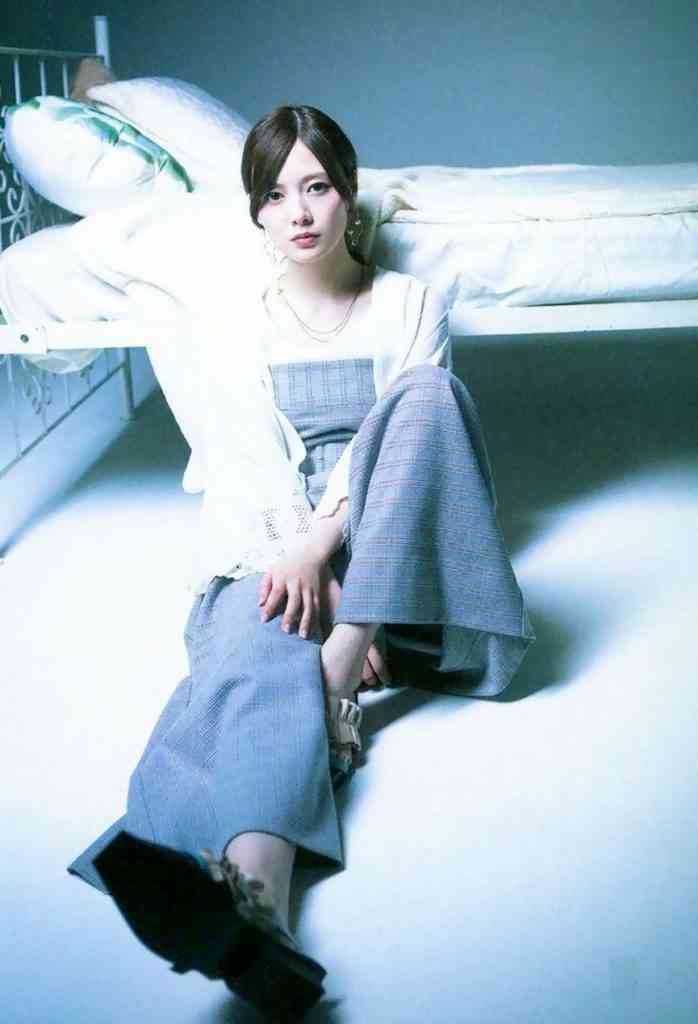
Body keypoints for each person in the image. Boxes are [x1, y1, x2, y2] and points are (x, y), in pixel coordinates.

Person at [66, 104, 535, 1021]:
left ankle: (334, 669)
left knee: (428, 396)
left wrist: (338, 569)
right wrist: (301, 555)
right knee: (251, 658)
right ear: (256, 213)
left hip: (403, 574)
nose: (300, 212)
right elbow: (246, 465)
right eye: (277, 195)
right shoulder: (236, 323)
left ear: (349, 194)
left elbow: (415, 456)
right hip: (276, 548)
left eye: (317, 186)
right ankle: (259, 916)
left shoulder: (410, 303)